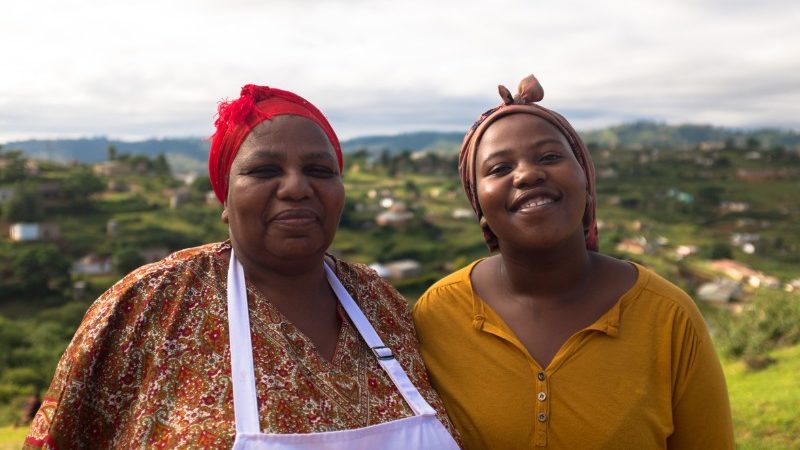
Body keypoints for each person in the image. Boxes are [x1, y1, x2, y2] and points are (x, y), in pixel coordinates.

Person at [24, 85, 460, 449]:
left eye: (319, 169)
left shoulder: (379, 303)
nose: (296, 187)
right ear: (225, 199)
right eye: (265, 169)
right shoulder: (152, 305)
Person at [412, 74, 734, 449]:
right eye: (499, 168)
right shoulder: (437, 315)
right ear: (477, 204)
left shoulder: (668, 318)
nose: (528, 174)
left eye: (550, 157)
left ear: (586, 180)